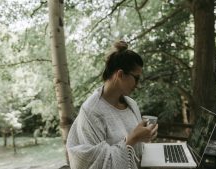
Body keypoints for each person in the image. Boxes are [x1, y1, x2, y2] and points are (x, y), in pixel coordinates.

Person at [66, 40, 158, 169]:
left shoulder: (131, 104)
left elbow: (137, 151)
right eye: (136, 78)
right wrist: (133, 138)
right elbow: (96, 163)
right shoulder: (92, 111)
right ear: (120, 74)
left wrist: (145, 135)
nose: (138, 84)